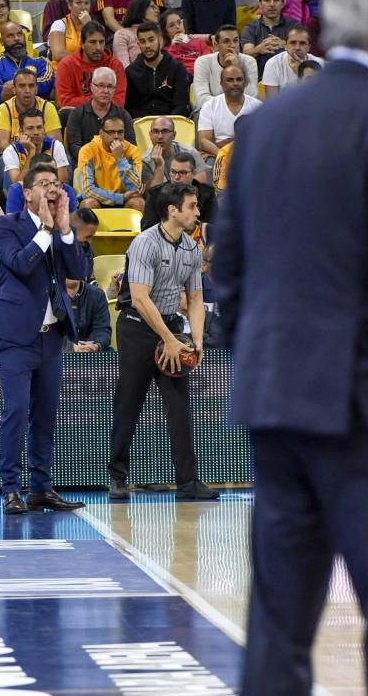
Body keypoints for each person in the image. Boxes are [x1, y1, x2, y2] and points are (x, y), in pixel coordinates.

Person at [212, 0, 368, 693]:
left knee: (277, 618)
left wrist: (266, 355)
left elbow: (226, 271)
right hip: (365, 406)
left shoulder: (263, 128)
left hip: (272, 395)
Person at [0, 163, 87, 515]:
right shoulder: (5, 227)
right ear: (26, 193)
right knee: (15, 411)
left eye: (55, 184)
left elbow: (78, 272)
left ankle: (42, 488)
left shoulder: (58, 229)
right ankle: (11, 489)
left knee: (45, 415)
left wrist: (64, 229)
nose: (51, 190)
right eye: (43, 184)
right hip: (14, 334)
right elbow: (21, 264)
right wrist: (45, 228)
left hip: (51, 335)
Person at [110, 181, 220, 500]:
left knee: (179, 407)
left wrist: (195, 341)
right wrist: (169, 339)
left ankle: (188, 482)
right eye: (192, 207)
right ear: (173, 211)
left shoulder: (190, 248)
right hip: (137, 326)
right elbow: (142, 300)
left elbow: (196, 297)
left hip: (171, 324)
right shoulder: (144, 243)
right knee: (128, 403)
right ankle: (117, 476)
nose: (198, 212)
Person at [66, 66, 135, 164]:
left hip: (116, 166)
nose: (106, 91)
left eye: (110, 86)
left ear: (114, 89)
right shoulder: (77, 114)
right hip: (86, 165)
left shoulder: (123, 115)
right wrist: (98, 162)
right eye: (101, 86)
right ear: (92, 87)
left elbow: (131, 147)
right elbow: (74, 149)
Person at [56, 21, 127, 117]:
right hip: (77, 117)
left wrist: (85, 101)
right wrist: (100, 100)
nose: (98, 47)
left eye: (101, 42)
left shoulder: (114, 65)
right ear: (82, 44)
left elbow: (118, 101)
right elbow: (64, 102)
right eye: (92, 42)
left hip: (109, 118)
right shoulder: (66, 65)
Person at [125, 22, 190, 119]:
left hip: (171, 123)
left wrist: (165, 123)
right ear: (138, 44)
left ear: (160, 40)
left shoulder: (177, 68)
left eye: (151, 40)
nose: (147, 45)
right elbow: (130, 108)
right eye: (143, 41)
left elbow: (181, 105)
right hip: (142, 124)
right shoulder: (131, 72)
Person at [78, 115, 144, 211]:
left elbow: (136, 189)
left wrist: (120, 159)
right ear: (101, 133)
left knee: (138, 202)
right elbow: (88, 190)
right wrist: (120, 198)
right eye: (111, 132)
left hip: (126, 200)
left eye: (120, 132)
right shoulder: (88, 150)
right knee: (88, 203)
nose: (116, 136)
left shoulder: (133, 151)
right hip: (99, 199)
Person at [198, 65, 262, 164]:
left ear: (245, 83)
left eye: (239, 79)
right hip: (218, 154)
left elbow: (262, 139)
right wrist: (223, 155)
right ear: (221, 84)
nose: (235, 83)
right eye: (230, 80)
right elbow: (204, 141)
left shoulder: (257, 106)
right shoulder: (210, 106)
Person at [0, 21, 54, 110]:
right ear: (1, 41)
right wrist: (32, 80)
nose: (16, 38)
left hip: (38, 115)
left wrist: (10, 85)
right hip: (6, 117)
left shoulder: (41, 62)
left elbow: (45, 86)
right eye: (10, 36)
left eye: (19, 34)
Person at [0, 68, 62, 155]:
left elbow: (56, 143)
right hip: (14, 156)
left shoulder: (47, 107)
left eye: (31, 86)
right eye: (22, 86)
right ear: (14, 89)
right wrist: (24, 156)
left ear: (36, 89)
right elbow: (1, 145)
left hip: (42, 155)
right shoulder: (4, 108)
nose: (27, 90)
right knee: (3, 161)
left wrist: (35, 155)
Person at [141, 152, 217, 229]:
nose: (177, 177)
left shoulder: (207, 194)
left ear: (194, 173)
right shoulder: (155, 194)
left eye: (183, 172)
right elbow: (147, 227)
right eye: (173, 172)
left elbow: (213, 227)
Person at [193, 24, 259, 107]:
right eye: (226, 41)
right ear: (216, 45)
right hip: (212, 113)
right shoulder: (203, 62)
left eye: (235, 41)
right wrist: (230, 105)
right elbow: (202, 100)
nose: (232, 45)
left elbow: (252, 97)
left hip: (241, 112)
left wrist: (236, 68)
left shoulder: (249, 62)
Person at [3, 108, 70, 186]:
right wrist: (31, 152)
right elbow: (18, 186)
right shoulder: (11, 151)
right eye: (30, 128)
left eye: (39, 127)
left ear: (44, 129)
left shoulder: (55, 146)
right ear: (21, 132)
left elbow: (62, 182)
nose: (36, 132)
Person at [240, 0, 301, 79]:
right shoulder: (250, 27)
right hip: (258, 78)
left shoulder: (294, 26)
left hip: (289, 78)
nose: (272, 4)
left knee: (280, 52)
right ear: (260, 5)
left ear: (282, 4)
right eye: (267, 0)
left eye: (276, 0)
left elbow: (302, 51)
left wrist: (284, 45)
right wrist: (258, 49)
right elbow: (245, 54)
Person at [142, 116, 207, 189]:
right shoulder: (145, 161)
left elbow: (202, 186)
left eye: (165, 131)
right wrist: (159, 167)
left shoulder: (190, 152)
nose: (160, 136)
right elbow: (151, 195)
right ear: (150, 135)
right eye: (156, 131)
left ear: (174, 135)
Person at [6, 153, 77, 217]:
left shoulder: (66, 190)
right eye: (44, 171)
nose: (50, 175)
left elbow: (72, 225)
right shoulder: (17, 189)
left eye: (53, 171)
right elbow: (12, 223)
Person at [262, 26, 323, 95]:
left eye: (302, 43)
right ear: (285, 46)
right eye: (293, 43)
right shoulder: (273, 64)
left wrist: (299, 72)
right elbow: (272, 100)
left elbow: (318, 97)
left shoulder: (319, 63)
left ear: (308, 48)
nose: (297, 47)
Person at [160, 9, 211, 79]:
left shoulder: (198, 42)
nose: (177, 27)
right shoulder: (166, 51)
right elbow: (169, 68)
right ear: (166, 32)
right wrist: (173, 47)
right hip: (182, 79)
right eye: (171, 25)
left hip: (201, 75)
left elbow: (208, 60)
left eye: (179, 22)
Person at [63, 278, 111, 351]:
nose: (72, 272)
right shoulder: (50, 295)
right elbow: (49, 334)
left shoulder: (97, 294)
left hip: (92, 351)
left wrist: (94, 346)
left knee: (113, 358)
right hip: (61, 353)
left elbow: (102, 329)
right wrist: (71, 347)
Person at [112, 0, 160, 69]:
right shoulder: (122, 35)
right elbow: (123, 67)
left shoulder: (159, 33)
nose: (157, 11)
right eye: (152, 7)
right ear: (141, 10)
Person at [48, 0, 92, 71]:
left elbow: (98, 53)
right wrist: (86, 58)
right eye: (78, 3)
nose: (83, 7)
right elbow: (58, 54)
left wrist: (89, 26)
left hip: (86, 71)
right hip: (61, 71)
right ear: (69, 6)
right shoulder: (59, 24)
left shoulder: (93, 25)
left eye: (86, 3)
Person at [71, 207, 98, 280]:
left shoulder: (87, 249)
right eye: (87, 237)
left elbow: (90, 279)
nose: (90, 241)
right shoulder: (56, 249)